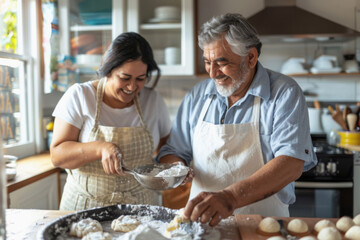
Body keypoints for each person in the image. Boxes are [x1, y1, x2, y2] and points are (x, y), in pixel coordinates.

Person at [156, 13, 317, 226]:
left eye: (221, 63)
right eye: (207, 62)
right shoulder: (197, 96)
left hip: (263, 224)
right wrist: (178, 168)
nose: (213, 73)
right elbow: (173, 152)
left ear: (250, 58)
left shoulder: (284, 93)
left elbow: (291, 163)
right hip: (202, 223)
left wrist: (230, 197)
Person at [51, 32, 171, 211]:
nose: (132, 87)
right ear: (108, 70)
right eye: (124, 78)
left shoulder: (152, 101)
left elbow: (166, 148)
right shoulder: (80, 96)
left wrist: (174, 169)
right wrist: (101, 148)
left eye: (140, 79)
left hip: (141, 207)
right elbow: (57, 156)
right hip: (84, 207)